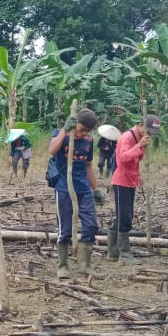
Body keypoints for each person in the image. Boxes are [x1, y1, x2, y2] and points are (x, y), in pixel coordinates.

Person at [48, 109, 106, 279]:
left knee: (91, 225)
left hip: (83, 189)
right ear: (74, 124)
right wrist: (66, 130)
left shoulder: (88, 141)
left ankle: (85, 266)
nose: (83, 133)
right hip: (64, 188)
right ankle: (63, 266)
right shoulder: (61, 134)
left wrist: (95, 190)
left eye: (87, 131)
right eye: (81, 129)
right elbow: (52, 150)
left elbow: (88, 166)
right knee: (64, 229)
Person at [106, 115, 160, 265]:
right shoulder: (127, 138)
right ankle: (123, 253)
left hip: (130, 180)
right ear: (141, 125)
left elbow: (134, 161)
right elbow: (122, 159)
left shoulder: (139, 138)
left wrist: (138, 175)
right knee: (124, 217)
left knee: (125, 216)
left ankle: (113, 251)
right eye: (148, 130)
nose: (148, 134)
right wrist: (139, 145)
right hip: (121, 181)